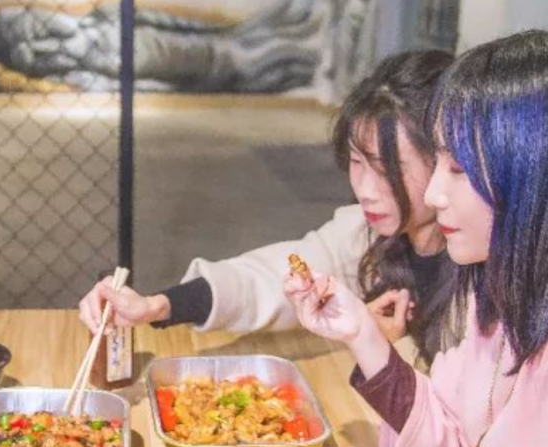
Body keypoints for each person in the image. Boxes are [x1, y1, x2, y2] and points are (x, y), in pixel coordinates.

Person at [285, 30, 548, 447]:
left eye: (458, 169)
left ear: (527, 174)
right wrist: (361, 333)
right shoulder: (496, 292)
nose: (433, 194)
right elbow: (450, 434)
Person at [80, 49, 460, 363]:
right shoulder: (367, 234)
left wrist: (379, 348)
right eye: (357, 162)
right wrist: (158, 305)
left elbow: (465, 416)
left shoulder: (478, 269)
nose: (364, 189)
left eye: (387, 169)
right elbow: (270, 278)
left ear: (449, 160)